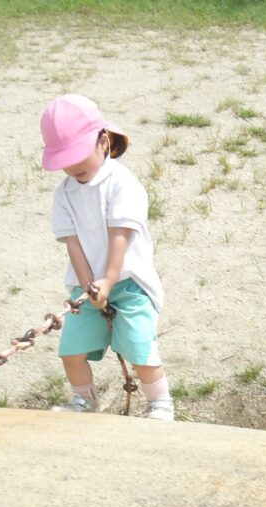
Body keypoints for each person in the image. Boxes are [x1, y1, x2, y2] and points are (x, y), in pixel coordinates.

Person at [40, 94, 174, 420]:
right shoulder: (65, 194)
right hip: (86, 287)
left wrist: (109, 280)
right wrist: (89, 285)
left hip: (128, 283)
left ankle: (160, 404)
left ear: (103, 142)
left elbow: (120, 236)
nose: (73, 166)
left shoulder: (122, 183)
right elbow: (72, 243)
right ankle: (83, 400)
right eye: (65, 160)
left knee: (140, 349)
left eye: (78, 155)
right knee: (71, 350)